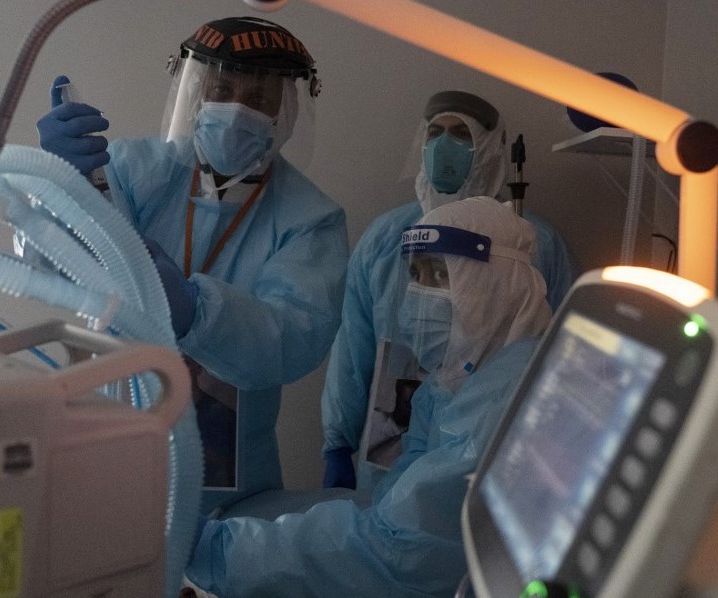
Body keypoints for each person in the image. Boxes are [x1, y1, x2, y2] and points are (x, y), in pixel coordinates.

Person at [35, 16, 348, 509]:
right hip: (111, 451)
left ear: (286, 111)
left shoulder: (309, 218)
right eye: (222, 89)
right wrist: (60, 191)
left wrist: (198, 310)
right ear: (197, 92)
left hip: (231, 488)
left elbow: (294, 338)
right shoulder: (131, 171)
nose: (237, 109)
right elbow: (54, 268)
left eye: (259, 97)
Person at [183, 196, 553, 598]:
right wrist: (338, 441)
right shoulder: (453, 386)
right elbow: (400, 504)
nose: (419, 295)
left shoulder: (506, 401)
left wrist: (221, 552)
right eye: (415, 274)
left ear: (495, 282)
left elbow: (400, 551)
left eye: (438, 274)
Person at [321, 90, 577, 490]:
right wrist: (338, 441)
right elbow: (354, 347)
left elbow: (563, 353)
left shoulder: (527, 244)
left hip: (491, 448)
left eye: (461, 134)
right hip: (391, 444)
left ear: (490, 148)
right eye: (435, 133)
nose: (444, 146)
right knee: (392, 514)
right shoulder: (386, 240)